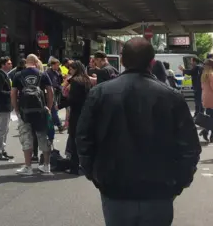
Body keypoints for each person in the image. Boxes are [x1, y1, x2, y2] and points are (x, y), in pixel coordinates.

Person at [77, 38, 201, 226]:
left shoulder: (100, 94)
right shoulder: (171, 96)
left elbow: (84, 140)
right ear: (152, 61)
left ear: (122, 60)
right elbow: (190, 147)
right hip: (159, 190)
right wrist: (178, 183)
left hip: (115, 190)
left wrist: (96, 176)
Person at [11, 54, 54, 176]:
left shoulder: (18, 75)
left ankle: (28, 167)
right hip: (40, 111)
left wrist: (17, 109)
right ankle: (46, 165)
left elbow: (13, 94)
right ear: (36, 62)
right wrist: (49, 107)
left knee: (26, 138)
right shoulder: (42, 74)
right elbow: (50, 92)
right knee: (42, 136)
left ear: (26, 63)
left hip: (25, 111)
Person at [66, 60, 92, 175]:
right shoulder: (86, 80)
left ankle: (74, 167)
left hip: (76, 113)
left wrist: (61, 103)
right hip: (85, 112)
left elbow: (72, 100)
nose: (69, 71)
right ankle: (84, 165)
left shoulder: (75, 81)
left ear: (75, 69)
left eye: (71, 69)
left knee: (73, 140)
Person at [0, 57, 14, 161]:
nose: (11, 65)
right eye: (8, 63)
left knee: (6, 129)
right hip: (3, 105)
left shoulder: (5, 75)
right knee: (2, 129)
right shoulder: (0, 75)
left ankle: (2, 149)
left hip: (7, 105)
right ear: (3, 65)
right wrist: (11, 93)